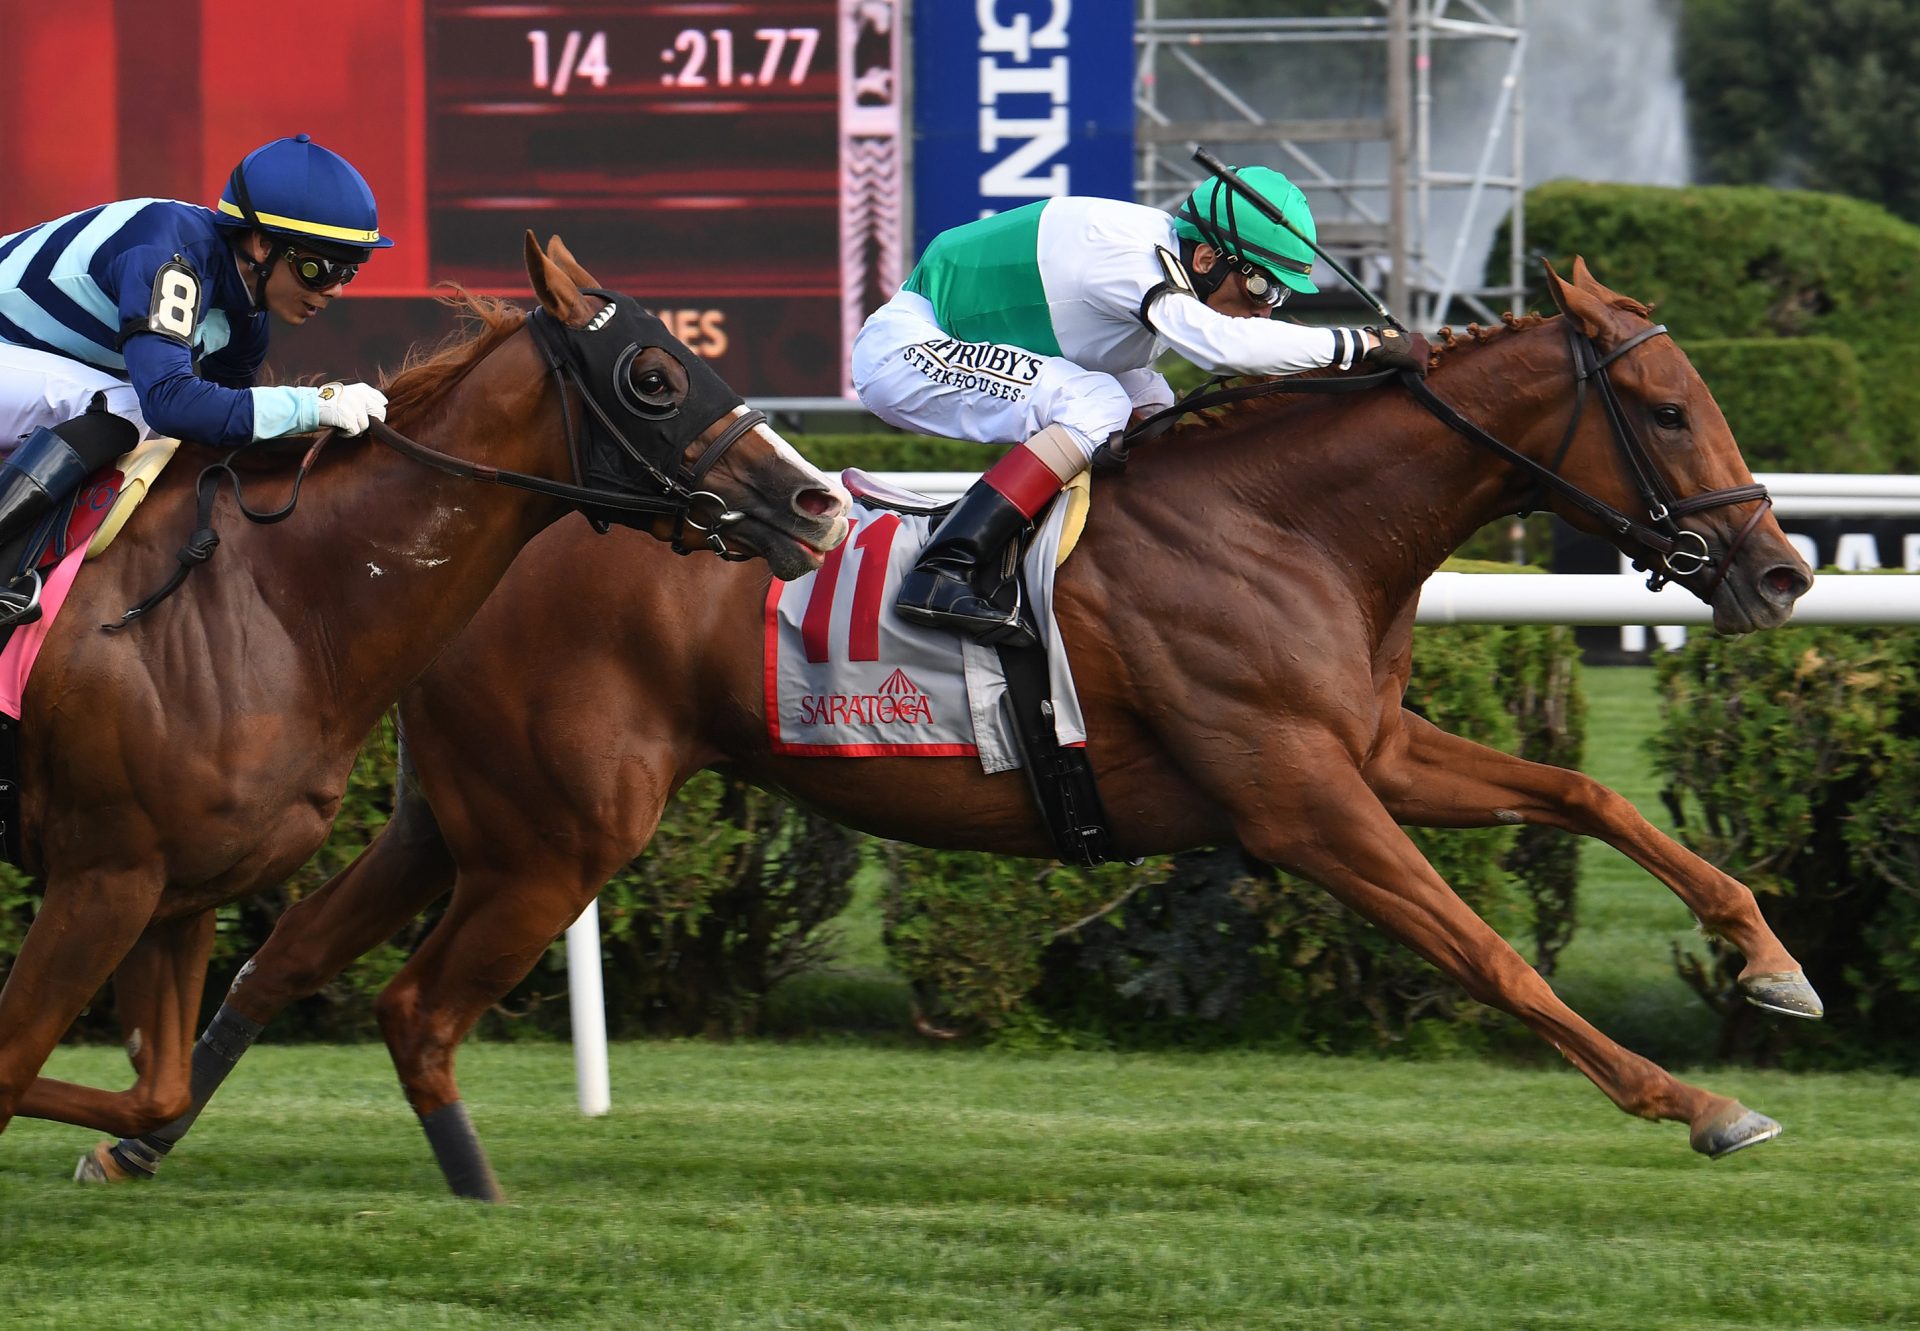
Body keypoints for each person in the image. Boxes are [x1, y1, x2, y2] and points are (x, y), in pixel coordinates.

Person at [852, 166, 1427, 648]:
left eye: (1280, 295)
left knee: (1152, 403)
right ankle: (944, 567)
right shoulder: (1127, 259)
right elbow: (1225, 349)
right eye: (1261, 290)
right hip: (906, 352)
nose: (1268, 310)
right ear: (1206, 259)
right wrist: (1362, 344)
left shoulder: (1166, 253)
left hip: (974, 337)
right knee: (1095, 401)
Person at [0, 133, 393, 622]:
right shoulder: (172, 256)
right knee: (124, 408)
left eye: (348, 272)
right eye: (319, 268)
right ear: (262, 243)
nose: (334, 290)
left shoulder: (248, 315)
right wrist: (313, 405)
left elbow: (219, 430)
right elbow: (171, 403)